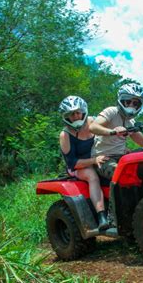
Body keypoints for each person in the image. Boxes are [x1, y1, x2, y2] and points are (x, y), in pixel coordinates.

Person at [58, 96, 109, 230]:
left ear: (83, 111)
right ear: (66, 116)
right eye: (71, 114)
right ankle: (101, 216)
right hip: (77, 166)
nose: (75, 116)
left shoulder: (92, 122)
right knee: (92, 176)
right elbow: (72, 163)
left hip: (97, 158)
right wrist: (93, 160)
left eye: (77, 112)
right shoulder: (65, 135)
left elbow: (107, 137)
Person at [89, 83, 143, 180]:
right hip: (103, 158)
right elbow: (93, 127)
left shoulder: (131, 122)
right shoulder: (111, 111)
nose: (131, 105)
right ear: (121, 101)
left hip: (121, 157)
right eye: (128, 101)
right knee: (123, 175)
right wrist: (113, 131)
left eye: (135, 103)